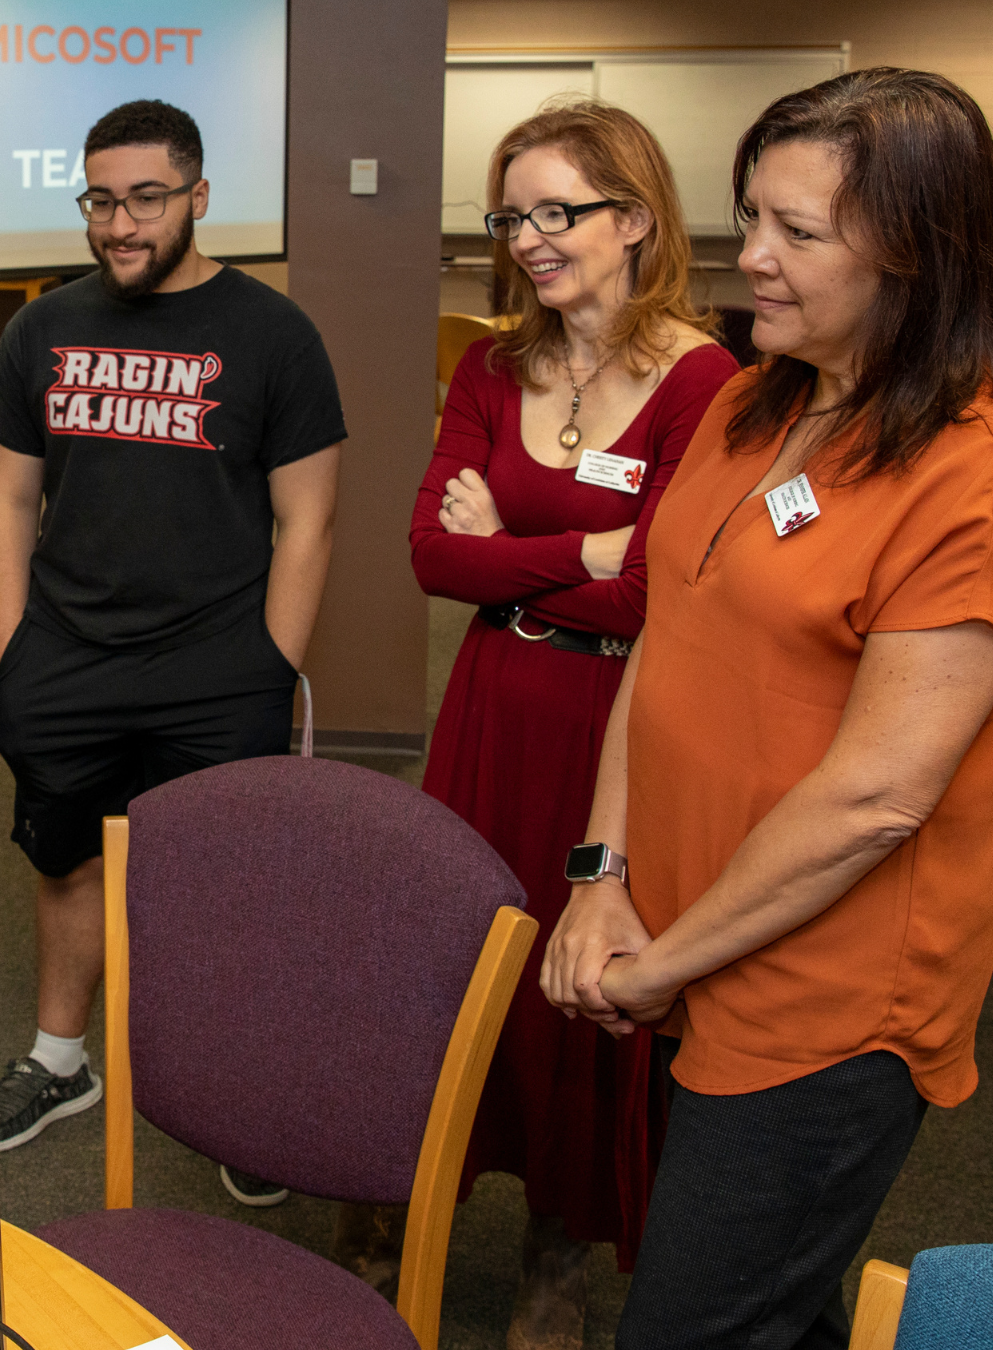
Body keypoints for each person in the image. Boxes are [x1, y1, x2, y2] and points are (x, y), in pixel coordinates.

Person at [544, 68, 993, 1349]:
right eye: (752, 220)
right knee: (768, 1309)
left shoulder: (967, 477)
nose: (751, 262)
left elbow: (878, 799)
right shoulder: (753, 398)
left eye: (798, 234)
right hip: (685, 924)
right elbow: (664, 635)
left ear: (920, 254)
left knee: (693, 1323)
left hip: (824, 1000)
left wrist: (660, 963)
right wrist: (603, 873)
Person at [408, 103, 736, 1345]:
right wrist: (584, 545)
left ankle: (558, 1252)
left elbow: (659, 593)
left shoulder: (705, 380)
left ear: (636, 219)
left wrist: (519, 548)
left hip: (616, 715)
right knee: (460, 955)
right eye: (511, 215)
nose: (529, 240)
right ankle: (411, 1184)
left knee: (582, 979)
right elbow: (434, 559)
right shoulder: (495, 365)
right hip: (492, 701)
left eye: (559, 212)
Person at [0, 99, 343, 1171]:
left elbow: (309, 517)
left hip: (217, 664)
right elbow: (5, 504)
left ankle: (234, 1091)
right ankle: (60, 1057)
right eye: (101, 199)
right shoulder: (41, 328)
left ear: (198, 197)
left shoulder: (274, 335)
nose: (120, 224)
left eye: (145, 198)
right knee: (66, 860)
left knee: (222, 880)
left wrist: (268, 665)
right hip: (66, 655)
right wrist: (12, 656)